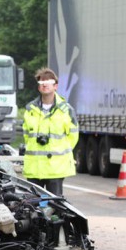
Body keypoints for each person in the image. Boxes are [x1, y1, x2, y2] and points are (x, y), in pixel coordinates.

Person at [22, 67, 79, 196]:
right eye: (42, 83)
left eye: (48, 82)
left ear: (55, 86)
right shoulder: (30, 109)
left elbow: (73, 137)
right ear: (38, 87)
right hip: (34, 168)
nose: (45, 85)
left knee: (55, 207)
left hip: (56, 168)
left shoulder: (66, 110)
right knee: (32, 207)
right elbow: (27, 136)